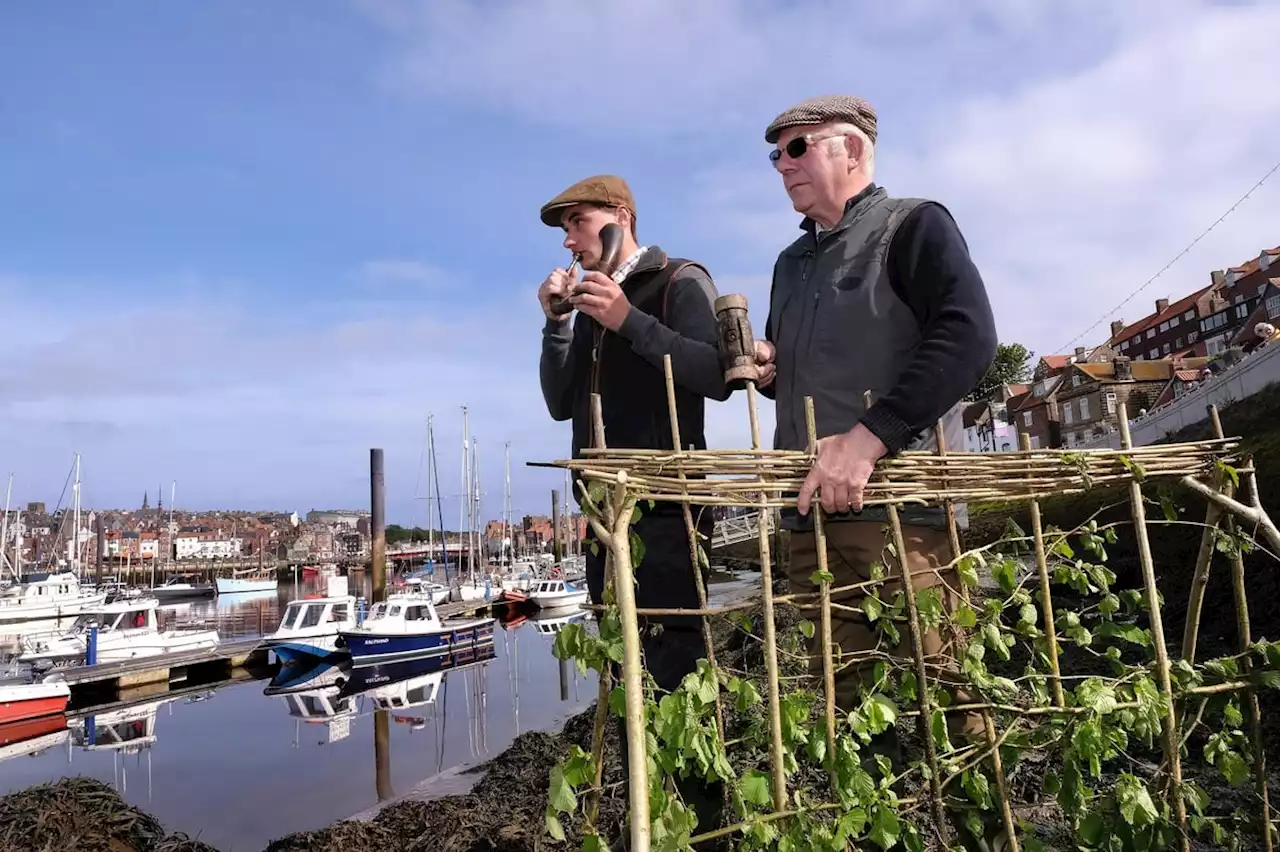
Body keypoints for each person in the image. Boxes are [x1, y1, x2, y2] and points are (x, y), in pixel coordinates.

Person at [752, 94, 1000, 844]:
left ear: (852, 152)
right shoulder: (790, 264)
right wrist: (772, 368)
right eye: (776, 156)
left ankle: (983, 833)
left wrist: (869, 438)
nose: (782, 166)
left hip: (900, 518)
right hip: (811, 519)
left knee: (943, 693)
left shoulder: (913, 225)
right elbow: (807, 366)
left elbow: (968, 336)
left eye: (797, 149)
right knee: (851, 703)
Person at [537, 174, 729, 837]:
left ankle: (704, 833)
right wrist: (558, 323)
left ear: (619, 218)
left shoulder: (679, 281)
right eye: (563, 228)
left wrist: (628, 320)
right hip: (603, 521)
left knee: (677, 680)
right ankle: (648, 827)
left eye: (577, 222)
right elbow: (562, 402)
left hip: (669, 516)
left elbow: (715, 374)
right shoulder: (588, 301)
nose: (567, 239)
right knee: (627, 681)